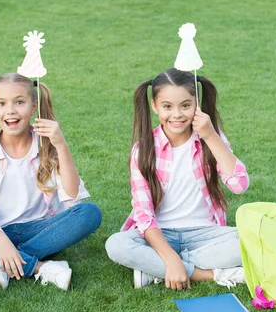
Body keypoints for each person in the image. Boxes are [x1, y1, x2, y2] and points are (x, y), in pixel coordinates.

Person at [0, 73, 102, 291]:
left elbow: (73, 195)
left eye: (19, 102)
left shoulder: (47, 144)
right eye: (2, 103)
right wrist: (1, 242)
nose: (10, 110)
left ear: (33, 106)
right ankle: (39, 267)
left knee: (90, 213)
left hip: (41, 230)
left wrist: (62, 145)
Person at [105, 68, 249, 290]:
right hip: (160, 235)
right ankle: (203, 273)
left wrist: (211, 136)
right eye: (167, 106)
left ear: (196, 103)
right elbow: (143, 214)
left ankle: (155, 270)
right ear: (154, 106)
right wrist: (170, 257)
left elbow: (239, 185)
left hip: (205, 234)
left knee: (255, 238)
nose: (177, 114)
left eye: (185, 105)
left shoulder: (211, 137)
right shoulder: (142, 150)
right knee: (116, 244)